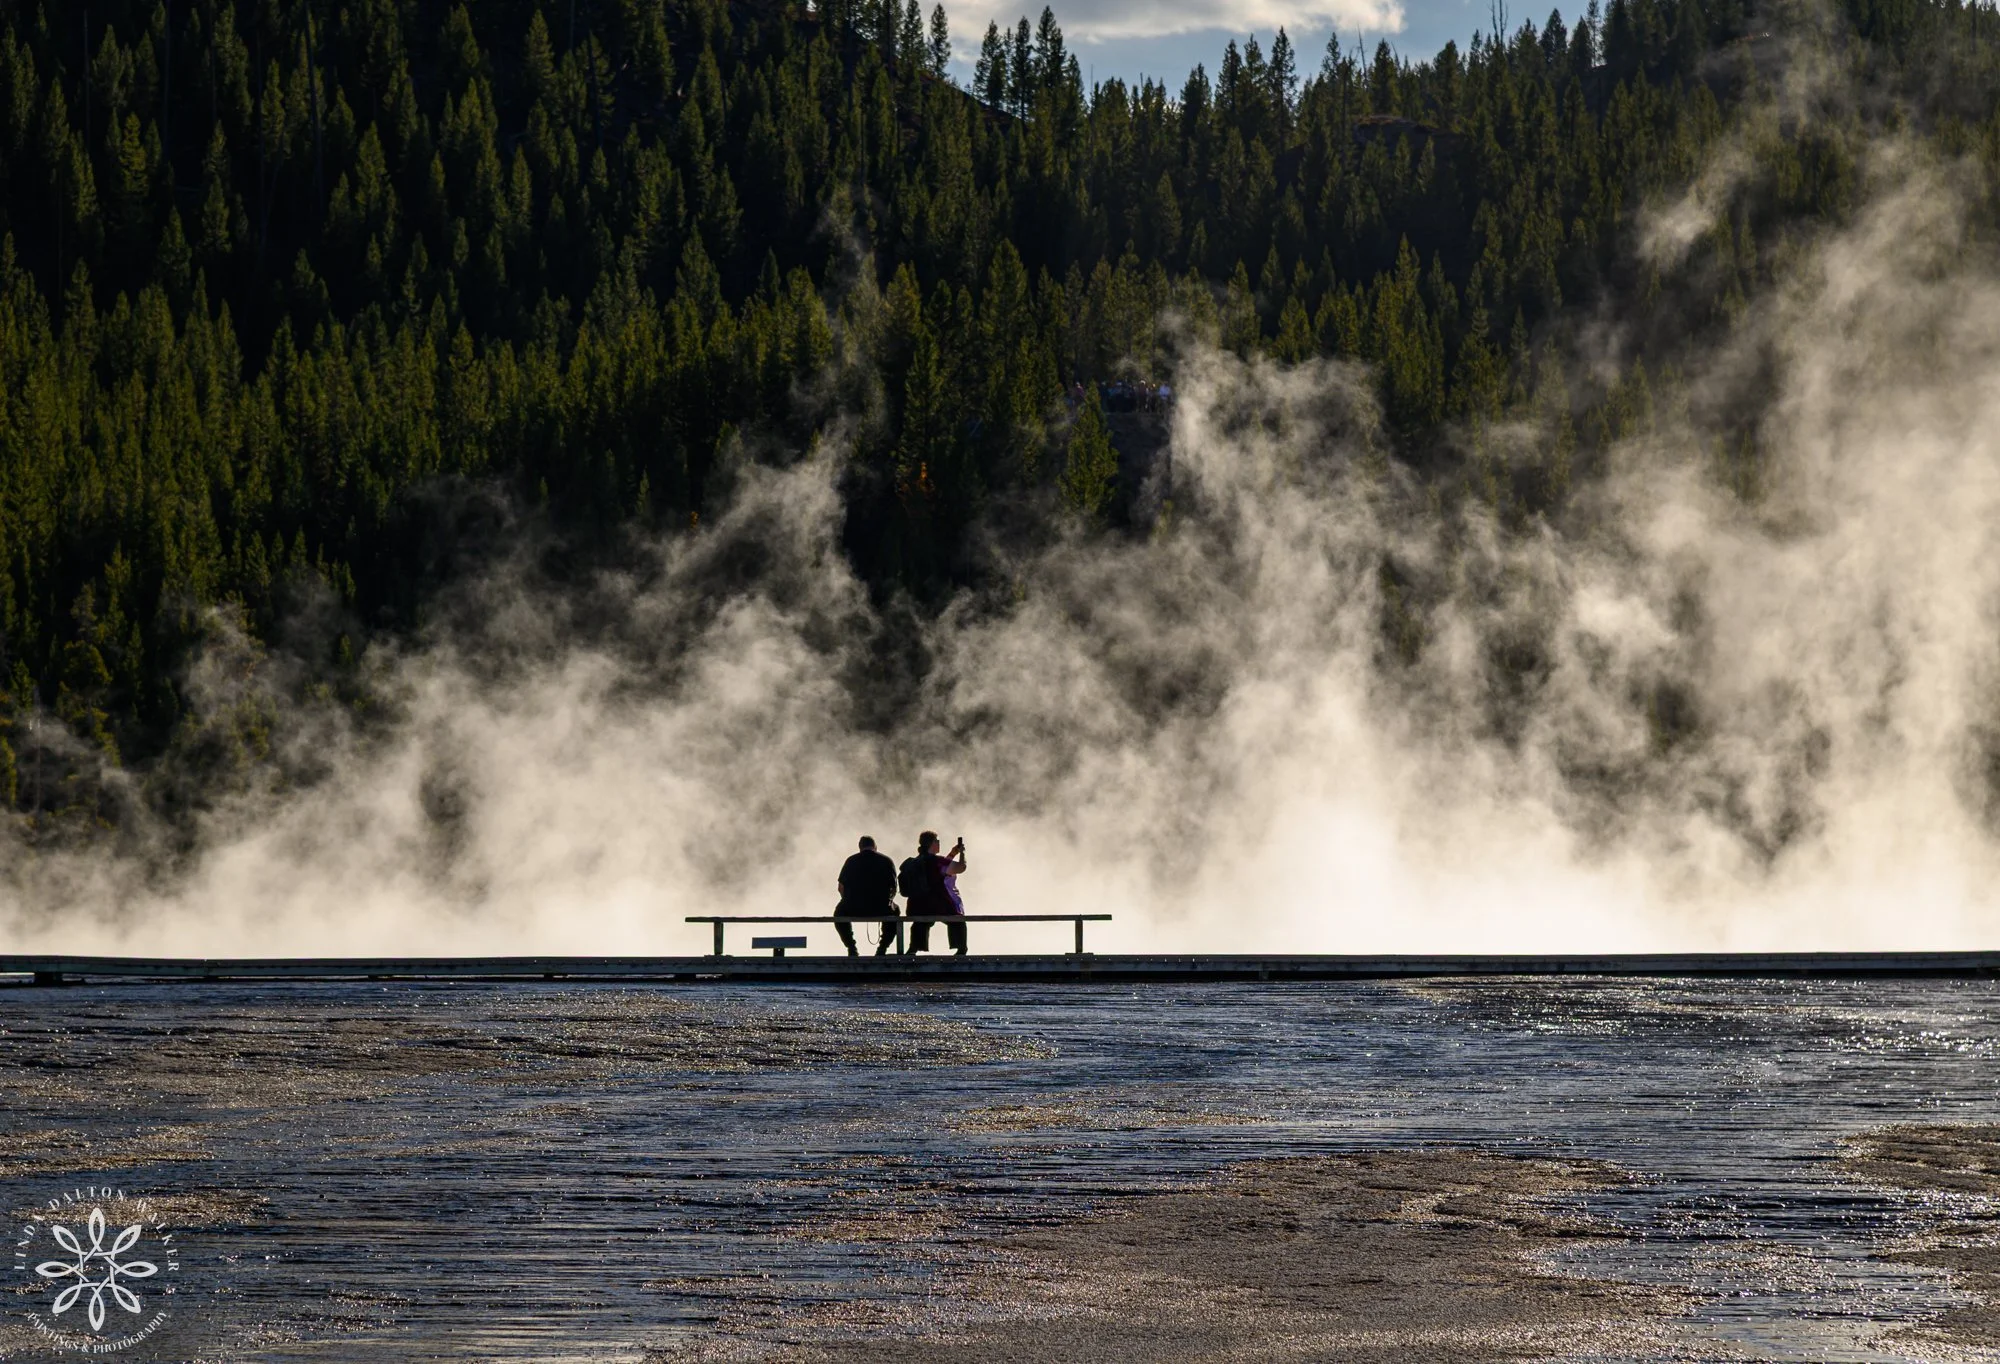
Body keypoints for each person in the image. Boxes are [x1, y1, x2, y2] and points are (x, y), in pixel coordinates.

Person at [899, 831, 968, 956]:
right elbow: (960, 867)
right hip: (938, 904)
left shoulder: (913, 862)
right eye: (937, 841)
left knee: (921, 922)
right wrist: (962, 854)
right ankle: (961, 949)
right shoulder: (937, 861)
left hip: (917, 906)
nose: (939, 843)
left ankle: (913, 949)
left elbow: (941, 868)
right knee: (958, 919)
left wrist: (952, 854)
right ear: (931, 844)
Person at [834, 836, 900, 957]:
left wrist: (847, 900)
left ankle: (851, 948)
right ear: (875, 847)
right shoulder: (886, 861)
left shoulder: (851, 861)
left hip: (853, 908)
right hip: (881, 908)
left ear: (860, 848)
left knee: (838, 913)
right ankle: (882, 949)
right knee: (896, 911)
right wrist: (887, 901)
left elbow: (841, 887)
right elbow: (893, 888)